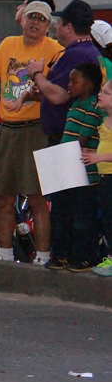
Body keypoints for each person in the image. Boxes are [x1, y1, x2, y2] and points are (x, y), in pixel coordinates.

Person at [0, 0, 63, 265]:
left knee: (37, 195)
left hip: (36, 129)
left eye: (41, 19)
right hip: (7, 127)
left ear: (48, 25)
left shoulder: (55, 50)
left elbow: (57, 92)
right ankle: (5, 255)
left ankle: (42, 256)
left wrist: (32, 93)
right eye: (31, 17)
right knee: (3, 195)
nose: (35, 23)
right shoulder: (7, 44)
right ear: (22, 20)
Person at [43, 63, 103, 272]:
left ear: (90, 83)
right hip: (66, 169)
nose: (68, 85)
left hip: (84, 173)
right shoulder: (75, 105)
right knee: (61, 214)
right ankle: (61, 254)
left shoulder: (93, 107)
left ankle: (84, 255)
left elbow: (82, 140)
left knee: (82, 217)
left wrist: (60, 156)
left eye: (74, 81)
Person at [27, 0, 102, 146]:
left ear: (68, 27)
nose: (56, 26)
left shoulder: (76, 54)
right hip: (73, 136)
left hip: (68, 138)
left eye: (59, 22)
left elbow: (59, 96)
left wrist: (36, 73)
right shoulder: (90, 50)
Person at [82, 78, 112, 276]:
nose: (100, 95)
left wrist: (99, 157)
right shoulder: (104, 120)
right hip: (104, 178)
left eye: (106, 93)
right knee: (108, 220)